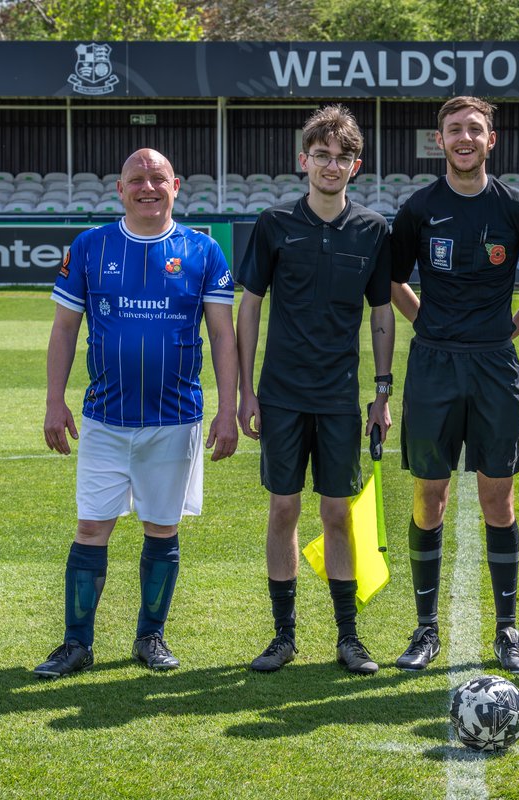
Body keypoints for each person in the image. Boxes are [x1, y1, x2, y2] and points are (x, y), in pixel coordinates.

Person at [34, 148, 238, 678]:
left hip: (175, 418)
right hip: (104, 418)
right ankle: (76, 643)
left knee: (162, 530)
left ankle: (151, 637)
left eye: (158, 178)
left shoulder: (203, 250)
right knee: (90, 528)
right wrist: (54, 400)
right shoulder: (90, 246)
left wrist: (228, 408)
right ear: (120, 189)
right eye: (137, 179)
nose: (148, 187)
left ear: (176, 186)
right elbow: (64, 329)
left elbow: (222, 334)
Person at [389, 96, 519, 673]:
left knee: (497, 497)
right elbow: (392, 281)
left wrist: (506, 330)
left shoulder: (515, 207)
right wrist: (427, 324)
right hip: (433, 366)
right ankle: (425, 629)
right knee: (429, 496)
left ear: (492, 140)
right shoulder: (418, 208)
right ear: (440, 140)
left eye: (475, 129)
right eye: (455, 129)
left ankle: (508, 629)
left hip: (493, 366)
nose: (465, 138)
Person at [236, 105, 394, 675]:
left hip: (338, 398)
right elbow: (249, 307)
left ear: (356, 166)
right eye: (322, 155)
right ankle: (283, 636)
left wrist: (382, 392)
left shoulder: (374, 230)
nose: (331, 165)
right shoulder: (274, 223)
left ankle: (349, 638)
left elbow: (382, 313)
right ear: (304, 160)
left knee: (336, 513)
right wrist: (246, 391)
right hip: (280, 394)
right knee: (284, 508)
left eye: (342, 157)